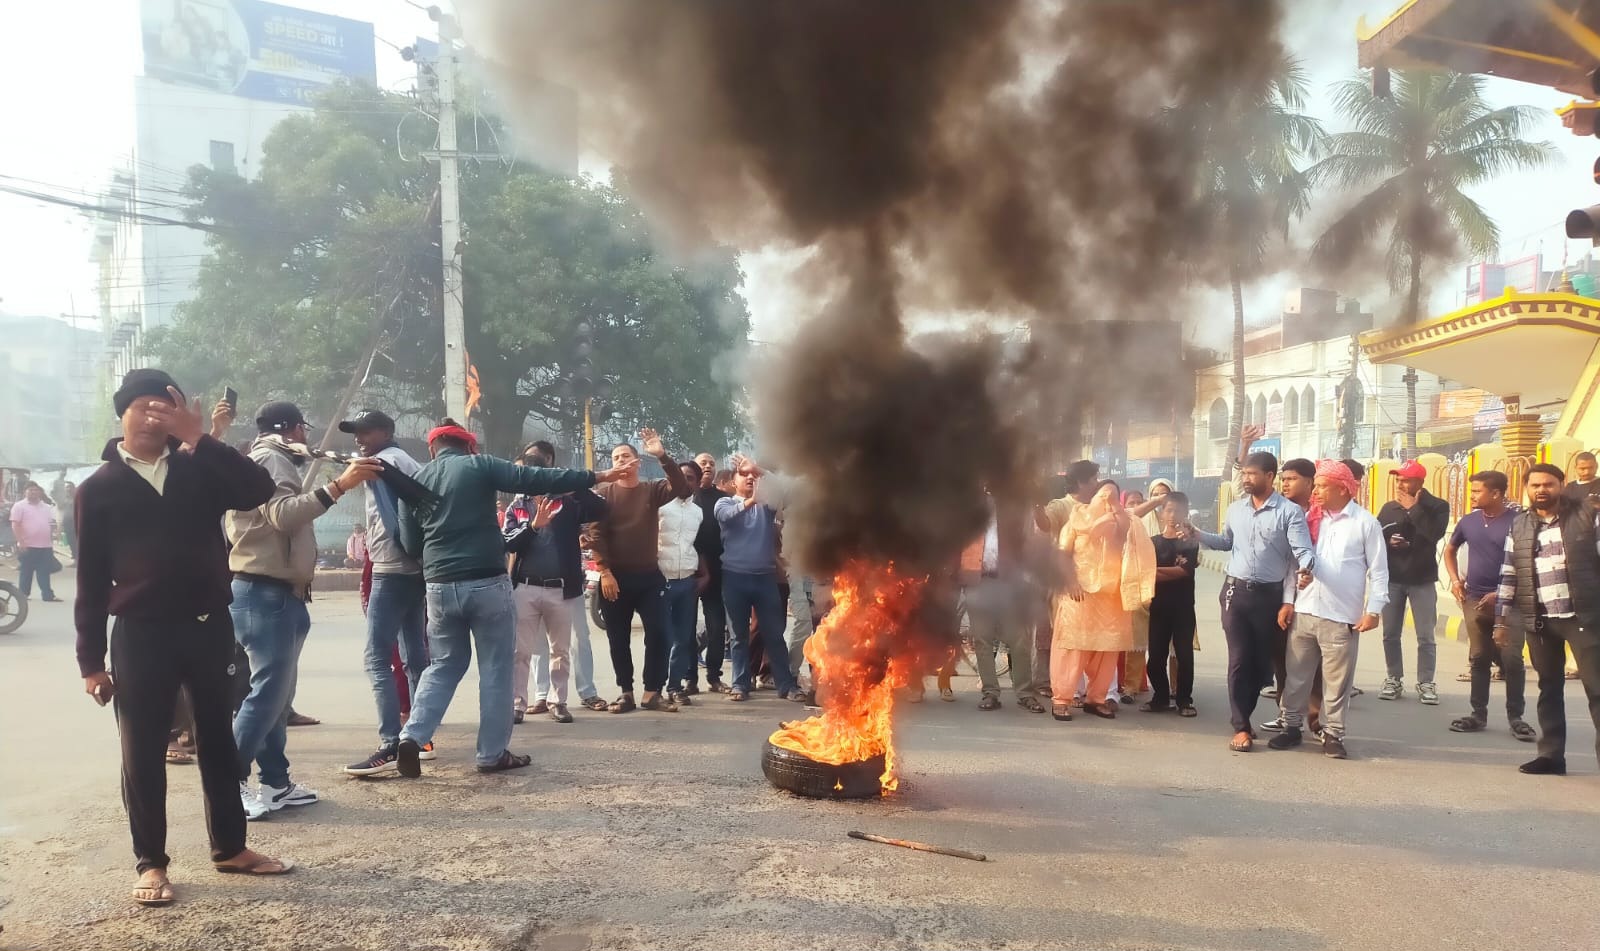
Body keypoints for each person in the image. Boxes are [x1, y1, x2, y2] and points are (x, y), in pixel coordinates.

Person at [75, 369, 292, 907]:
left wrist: (201, 438)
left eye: (166, 406)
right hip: (140, 634)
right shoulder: (99, 488)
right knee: (142, 750)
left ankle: (231, 848)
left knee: (218, 740)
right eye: (145, 405)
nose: (155, 415)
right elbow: (90, 579)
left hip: (207, 626)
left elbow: (258, 490)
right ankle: (151, 863)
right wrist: (90, 660)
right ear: (123, 413)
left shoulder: (198, 469)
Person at [394, 421, 630, 777]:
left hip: (440, 586)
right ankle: (491, 754)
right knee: (495, 668)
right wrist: (598, 476)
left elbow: (411, 546)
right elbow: (540, 479)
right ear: (470, 446)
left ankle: (412, 735)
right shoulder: (481, 466)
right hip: (486, 582)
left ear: (432, 449)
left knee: (443, 665)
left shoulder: (415, 482)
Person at [227, 402, 381, 817]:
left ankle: (275, 784)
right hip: (264, 592)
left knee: (276, 698)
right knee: (265, 697)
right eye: (304, 431)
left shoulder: (268, 458)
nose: (306, 439)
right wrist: (339, 486)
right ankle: (229, 783)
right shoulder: (271, 459)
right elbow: (280, 515)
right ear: (293, 429)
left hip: (278, 593)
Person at [1194, 451, 1315, 752]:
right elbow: (1226, 542)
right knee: (1239, 659)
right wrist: (1197, 534)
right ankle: (1241, 726)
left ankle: (1245, 714)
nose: (1246, 479)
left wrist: (1307, 568)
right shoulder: (1236, 510)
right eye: (1244, 474)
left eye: (1252, 474)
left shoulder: (1289, 512)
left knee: (1262, 664)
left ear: (1269, 476)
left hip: (1270, 597)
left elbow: (1302, 550)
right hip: (1235, 593)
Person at [336, 410, 434, 777]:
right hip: (412, 567)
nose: (359, 437)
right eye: (356, 432)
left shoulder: (381, 463)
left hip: (391, 569)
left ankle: (390, 742)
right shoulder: (407, 461)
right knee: (414, 656)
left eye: (365, 431)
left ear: (386, 431)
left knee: (377, 658)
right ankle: (420, 737)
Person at [1270, 461, 1388, 760]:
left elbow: (1379, 571)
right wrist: (1288, 600)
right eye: (1316, 485)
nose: (1316, 491)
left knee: (1336, 682)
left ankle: (1333, 733)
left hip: (1341, 616)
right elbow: (1293, 566)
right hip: (1305, 610)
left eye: (1322, 486)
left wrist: (1373, 610)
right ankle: (1291, 727)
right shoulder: (1309, 519)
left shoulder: (1365, 523)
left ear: (1342, 488)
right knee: (1296, 676)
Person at [1493, 463, 1600, 775]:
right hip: (1539, 619)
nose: (1542, 490)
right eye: (1535, 485)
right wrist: (1501, 621)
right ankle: (1551, 756)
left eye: (1548, 484)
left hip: (1584, 617)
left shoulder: (1588, 517)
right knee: (1548, 688)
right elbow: (1509, 573)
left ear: (1562, 485)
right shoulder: (1521, 525)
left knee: (1597, 690)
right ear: (1526, 488)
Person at [585, 429, 694, 713]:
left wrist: (661, 454)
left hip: (649, 577)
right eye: (616, 458)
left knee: (660, 633)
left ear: (636, 462)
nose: (621, 461)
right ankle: (626, 692)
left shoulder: (652, 489)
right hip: (615, 579)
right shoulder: (603, 495)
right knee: (617, 637)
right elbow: (596, 535)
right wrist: (605, 572)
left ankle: (652, 692)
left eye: (626, 456)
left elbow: (681, 486)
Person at [506, 441, 610, 722]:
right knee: (522, 651)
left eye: (538, 467)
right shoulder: (517, 506)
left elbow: (601, 509)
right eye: (528, 468)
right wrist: (533, 527)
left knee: (560, 650)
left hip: (561, 588)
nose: (533, 473)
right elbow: (509, 543)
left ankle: (557, 701)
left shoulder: (568, 502)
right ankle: (518, 704)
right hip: (526, 587)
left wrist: (573, 485)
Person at [1050, 480, 1156, 721]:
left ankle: (1096, 699)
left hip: (1112, 598)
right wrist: (1070, 582)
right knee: (1073, 648)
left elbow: (1128, 531)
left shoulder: (1125, 522)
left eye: (1113, 495)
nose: (1107, 498)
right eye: (1103, 494)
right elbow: (1062, 554)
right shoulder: (1076, 519)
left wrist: (1117, 510)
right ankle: (1062, 699)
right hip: (1079, 595)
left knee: (1106, 651)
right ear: (1093, 495)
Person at [1443, 470, 1532, 740]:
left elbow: (1526, 560)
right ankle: (1477, 713)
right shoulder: (1469, 521)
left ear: (1495, 493)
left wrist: (1501, 592)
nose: (1471, 496)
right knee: (1479, 657)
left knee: (1512, 659)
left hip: (1511, 603)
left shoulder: (1518, 522)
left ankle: (1516, 717)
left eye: (1476, 491)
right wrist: (1456, 580)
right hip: (1474, 599)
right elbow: (1450, 549)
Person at [718, 455, 806, 703]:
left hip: (764, 578)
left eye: (753, 476)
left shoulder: (767, 507)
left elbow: (784, 489)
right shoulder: (724, 503)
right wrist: (750, 502)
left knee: (774, 634)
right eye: (744, 475)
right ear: (733, 481)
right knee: (738, 636)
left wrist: (759, 470)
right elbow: (725, 517)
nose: (749, 478)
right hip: (734, 578)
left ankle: (786, 685)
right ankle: (740, 684)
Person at [1376, 460, 1451, 704]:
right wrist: (1389, 544)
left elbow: (1434, 535)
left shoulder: (1438, 506)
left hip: (1422, 579)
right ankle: (1393, 678)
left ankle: (1426, 681)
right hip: (1393, 579)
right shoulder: (1388, 508)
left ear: (1419, 482)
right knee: (1390, 633)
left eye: (1406, 479)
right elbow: (1376, 540)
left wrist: (1414, 509)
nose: (1400, 484)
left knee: (1425, 635)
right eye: (1398, 479)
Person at [962, 487, 1042, 713]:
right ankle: (990, 693)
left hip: (1010, 583)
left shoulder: (1017, 513)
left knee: (1018, 639)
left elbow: (1029, 544)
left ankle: (1025, 693)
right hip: (978, 581)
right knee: (982, 639)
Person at [1032, 461, 1101, 699]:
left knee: (1087, 636)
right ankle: (1049, 682)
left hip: (1092, 581)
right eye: (1094, 479)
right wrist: (1037, 509)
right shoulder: (1061, 506)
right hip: (1061, 580)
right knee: (1054, 633)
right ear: (1081, 482)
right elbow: (1045, 525)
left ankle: (1085, 686)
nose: (1097, 483)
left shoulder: (1098, 507)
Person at [1259, 456, 1316, 727]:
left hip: (1316, 598)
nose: (1285, 484)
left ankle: (1317, 721)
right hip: (1284, 597)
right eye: (1283, 479)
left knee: (1314, 665)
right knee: (1283, 659)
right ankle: (1286, 715)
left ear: (1310, 482)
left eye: (1291, 479)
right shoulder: (1280, 511)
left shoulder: (1320, 516)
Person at [1142, 492, 1199, 717]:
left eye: (1178, 510)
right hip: (1159, 607)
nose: (1173, 515)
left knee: (1184, 655)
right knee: (1155, 656)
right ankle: (1161, 697)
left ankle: (1185, 700)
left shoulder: (1189, 541)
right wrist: (1149, 573)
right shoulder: (1153, 542)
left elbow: (1183, 571)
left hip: (1183, 607)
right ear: (1161, 512)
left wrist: (1151, 572)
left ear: (1186, 512)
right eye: (1169, 510)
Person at [662, 461, 712, 706]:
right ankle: (652, 688)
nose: (685, 482)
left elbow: (698, 546)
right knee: (661, 638)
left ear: (697, 482)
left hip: (686, 582)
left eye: (690, 478)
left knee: (683, 638)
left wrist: (703, 575)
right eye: (681, 477)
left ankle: (674, 687)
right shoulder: (659, 507)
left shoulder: (698, 513)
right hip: (661, 580)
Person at [693, 453, 731, 693]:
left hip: (716, 572)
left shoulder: (724, 500)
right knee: (684, 629)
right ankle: (688, 679)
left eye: (711, 463)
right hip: (687, 571)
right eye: (703, 463)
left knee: (716, 627)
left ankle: (714, 676)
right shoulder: (683, 498)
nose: (707, 466)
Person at [10, 481, 60, 602]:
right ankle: (23, 595)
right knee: (26, 571)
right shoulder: (19, 506)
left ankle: (47, 595)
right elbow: (15, 525)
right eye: (30, 490)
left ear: (40, 492)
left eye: (36, 490)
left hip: (45, 545)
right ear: (25, 492)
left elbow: (52, 522)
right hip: (27, 545)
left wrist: (54, 533)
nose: (33, 492)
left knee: (44, 572)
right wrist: (21, 542)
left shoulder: (46, 507)